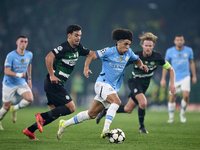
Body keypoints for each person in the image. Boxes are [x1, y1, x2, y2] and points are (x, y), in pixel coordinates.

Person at [56, 28, 148, 140]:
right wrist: (86, 68)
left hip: (111, 88)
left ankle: (64, 124)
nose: (127, 47)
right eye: (125, 44)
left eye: (129, 44)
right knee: (117, 101)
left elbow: (136, 59)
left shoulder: (129, 52)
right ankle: (105, 130)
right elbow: (91, 55)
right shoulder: (109, 51)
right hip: (102, 84)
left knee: (91, 114)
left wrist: (141, 65)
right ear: (118, 42)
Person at [23, 24, 94, 140]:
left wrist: (104, 55)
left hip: (54, 84)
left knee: (55, 114)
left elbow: (91, 53)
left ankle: (30, 130)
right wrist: (52, 75)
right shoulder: (64, 47)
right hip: (54, 83)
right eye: (76, 35)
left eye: (80, 35)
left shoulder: (78, 48)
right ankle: (41, 116)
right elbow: (48, 57)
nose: (78, 38)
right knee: (71, 108)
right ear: (69, 36)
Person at [96, 32, 176, 133]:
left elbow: (171, 70)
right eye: (146, 45)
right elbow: (121, 64)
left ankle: (106, 111)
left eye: (150, 46)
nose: (147, 47)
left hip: (145, 85)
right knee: (143, 103)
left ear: (153, 46)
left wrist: (171, 83)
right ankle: (141, 127)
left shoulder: (158, 57)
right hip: (134, 81)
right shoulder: (136, 56)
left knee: (128, 109)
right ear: (142, 45)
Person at [160, 34, 197, 123]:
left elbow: (191, 63)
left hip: (186, 76)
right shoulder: (170, 51)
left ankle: (182, 113)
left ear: (183, 41)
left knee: (186, 95)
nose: (179, 41)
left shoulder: (189, 50)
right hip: (174, 77)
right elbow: (166, 65)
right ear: (174, 41)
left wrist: (194, 76)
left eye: (181, 40)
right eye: (178, 40)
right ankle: (171, 117)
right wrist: (163, 78)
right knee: (173, 96)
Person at [0, 36, 33, 130]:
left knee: (30, 99)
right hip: (9, 83)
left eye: (25, 42)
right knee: (6, 107)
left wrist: (29, 78)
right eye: (21, 41)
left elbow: (29, 64)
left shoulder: (29, 54)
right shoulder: (11, 55)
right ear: (17, 43)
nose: (23, 43)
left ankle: (14, 109)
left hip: (21, 82)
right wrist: (18, 74)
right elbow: (6, 71)